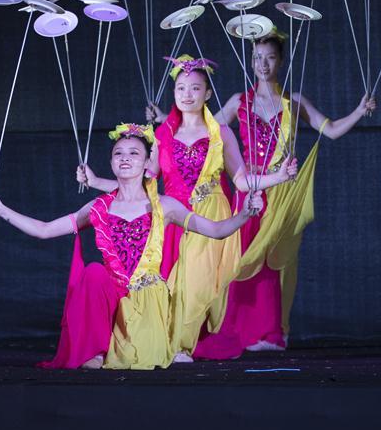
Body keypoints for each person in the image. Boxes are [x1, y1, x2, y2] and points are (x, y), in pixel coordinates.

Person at [148, 36, 376, 355]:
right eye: (257, 57)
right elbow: (203, 130)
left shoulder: (294, 101)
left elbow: (332, 129)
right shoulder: (238, 102)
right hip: (249, 190)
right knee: (240, 261)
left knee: (274, 260)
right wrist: (165, 121)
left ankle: (271, 331)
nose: (263, 64)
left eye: (269, 57)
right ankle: (234, 331)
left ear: (280, 61)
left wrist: (359, 111)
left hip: (282, 192)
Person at [0, 123, 262, 369]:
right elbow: (44, 230)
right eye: (118, 153)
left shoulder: (165, 206)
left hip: (147, 298)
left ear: (147, 163)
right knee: (94, 272)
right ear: (111, 162)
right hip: (112, 295)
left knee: (141, 359)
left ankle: (129, 341)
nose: (125, 158)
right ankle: (94, 349)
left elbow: (215, 230)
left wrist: (246, 214)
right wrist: (2, 209)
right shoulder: (98, 207)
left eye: (133, 153)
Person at [81, 55, 296, 360]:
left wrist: (279, 176)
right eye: (181, 88)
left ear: (207, 94)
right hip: (172, 218)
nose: (187, 94)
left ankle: (180, 345)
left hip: (211, 215)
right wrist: (95, 182)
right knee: (171, 286)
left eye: (195, 88)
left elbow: (241, 181)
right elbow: (142, 181)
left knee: (196, 282)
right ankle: (168, 343)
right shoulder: (162, 136)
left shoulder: (221, 133)